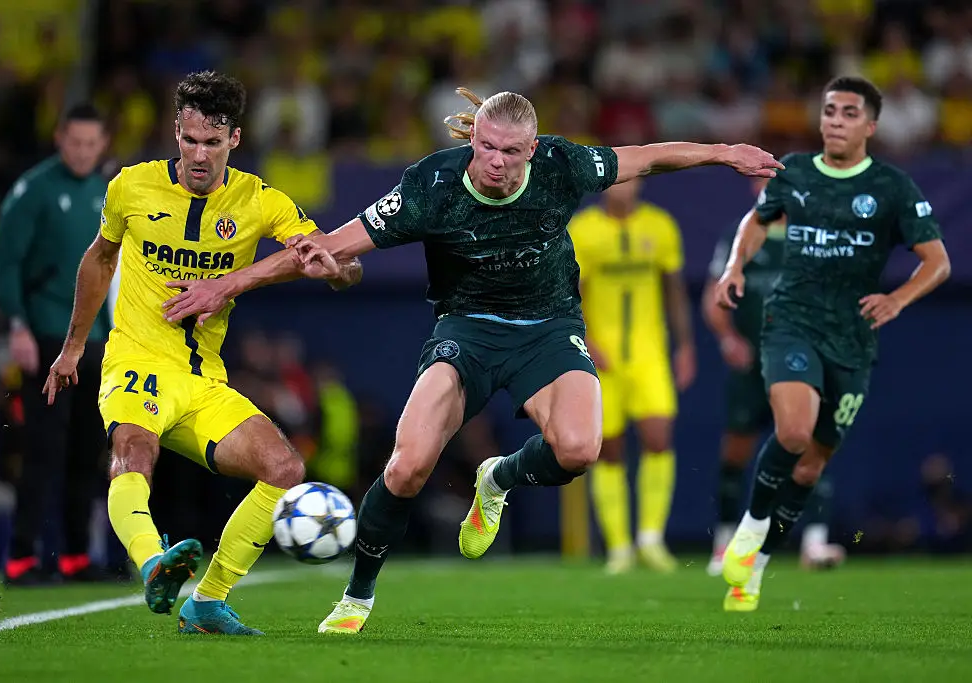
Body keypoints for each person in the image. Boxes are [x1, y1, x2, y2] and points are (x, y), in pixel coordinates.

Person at [162, 87, 783, 634]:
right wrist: (233, 284)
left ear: (533, 150)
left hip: (549, 328)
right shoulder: (431, 185)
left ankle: (498, 479)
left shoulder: (563, 165)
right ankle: (357, 595)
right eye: (485, 147)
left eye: (510, 151)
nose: (495, 161)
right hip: (466, 330)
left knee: (579, 449)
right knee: (407, 467)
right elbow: (329, 245)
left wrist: (723, 152)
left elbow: (648, 157)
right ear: (473, 140)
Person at [42, 71, 361, 635]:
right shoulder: (131, 186)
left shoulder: (259, 200)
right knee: (134, 452)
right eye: (189, 140)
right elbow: (100, 258)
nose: (198, 154)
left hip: (203, 380)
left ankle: (207, 602)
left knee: (285, 469)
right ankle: (153, 566)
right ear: (176, 133)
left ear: (234, 139)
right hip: (136, 360)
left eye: (212, 142)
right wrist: (72, 349)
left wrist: (336, 270)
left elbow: (334, 259)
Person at [713, 76, 950, 612]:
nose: (836, 121)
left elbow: (938, 262)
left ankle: (756, 567)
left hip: (852, 340)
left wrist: (898, 299)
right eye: (829, 111)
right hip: (792, 322)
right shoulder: (795, 171)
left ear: (870, 126)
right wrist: (734, 266)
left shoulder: (891, 187)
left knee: (809, 468)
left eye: (848, 113)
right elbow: (758, 219)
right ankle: (751, 526)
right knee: (793, 432)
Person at [0, 104, 112, 585]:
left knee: (87, 448)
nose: (82, 152)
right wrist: (17, 325)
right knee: (44, 448)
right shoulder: (33, 190)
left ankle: (76, 556)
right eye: (75, 142)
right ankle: (23, 556)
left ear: (102, 145)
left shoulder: (107, 194)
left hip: (95, 339)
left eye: (91, 144)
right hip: (45, 335)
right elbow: (6, 264)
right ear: (60, 138)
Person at [702, 177, 844, 577]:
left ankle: (814, 543)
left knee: (810, 448)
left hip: (798, 364)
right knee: (736, 452)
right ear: (756, 188)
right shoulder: (740, 235)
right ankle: (723, 544)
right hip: (752, 366)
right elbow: (713, 296)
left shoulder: (813, 239)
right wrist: (728, 338)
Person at [567, 179, 695, 574]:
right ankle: (619, 546)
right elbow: (569, 291)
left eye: (632, 178)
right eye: (618, 179)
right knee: (608, 448)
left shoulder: (660, 225)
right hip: (602, 357)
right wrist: (586, 338)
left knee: (658, 438)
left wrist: (685, 345)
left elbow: (674, 290)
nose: (625, 187)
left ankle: (651, 539)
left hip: (649, 354)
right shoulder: (583, 230)